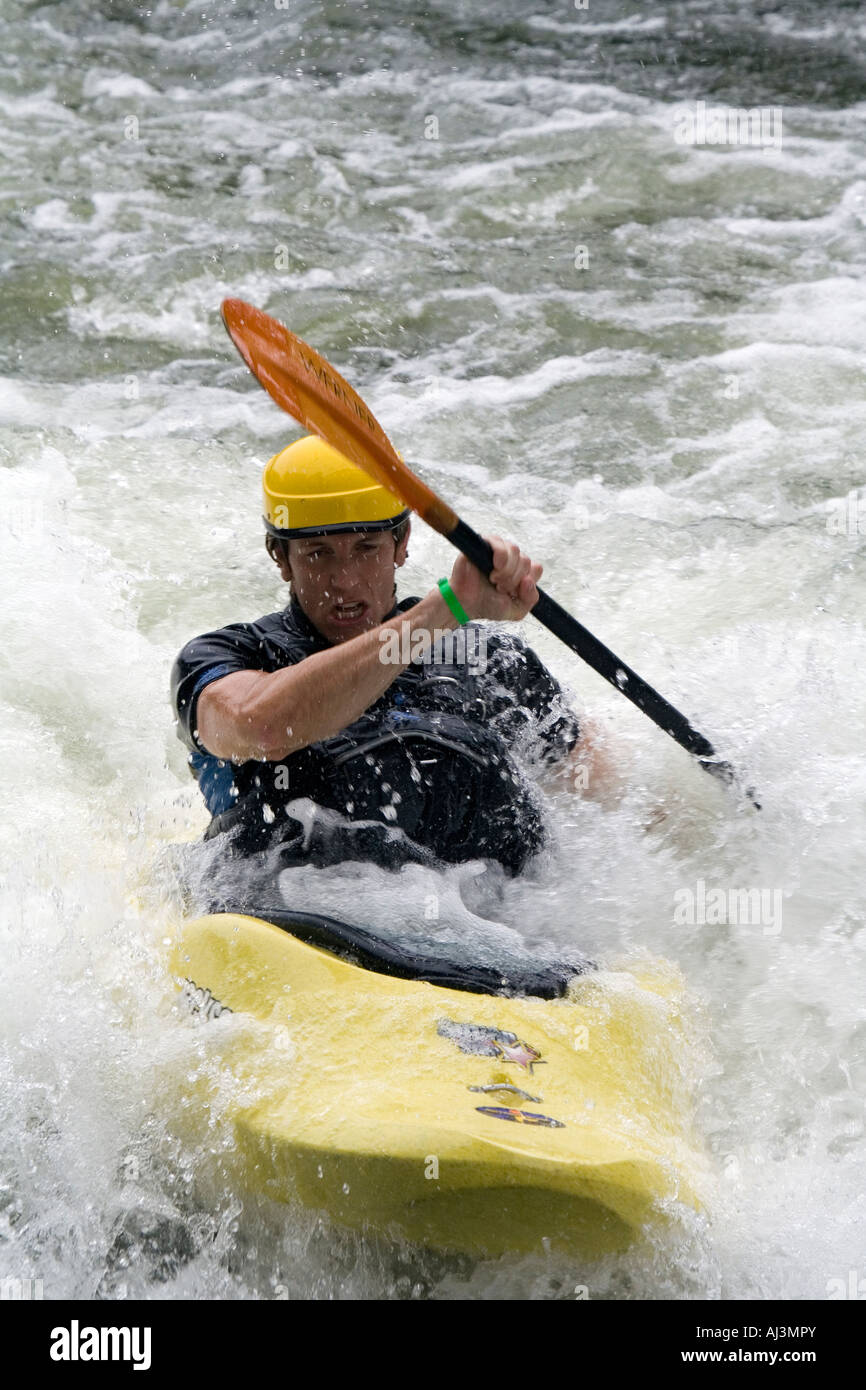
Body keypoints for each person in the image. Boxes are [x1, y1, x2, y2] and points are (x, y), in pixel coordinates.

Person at [170, 436, 597, 902]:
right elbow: (264, 726)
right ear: (280, 558)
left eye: (367, 547)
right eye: (318, 554)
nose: (345, 579)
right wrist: (446, 607)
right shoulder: (226, 656)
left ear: (402, 544)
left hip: (495, 934)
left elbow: (598, 791)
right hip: (293, 924)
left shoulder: (487, 659)